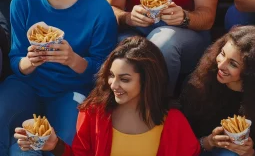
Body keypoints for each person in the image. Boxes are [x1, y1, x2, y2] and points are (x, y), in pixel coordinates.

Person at [0, 0, 117, 154]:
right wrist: (29, 62)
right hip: (26, 85)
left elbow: (104, 74)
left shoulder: (99, 11)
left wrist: (73, 60)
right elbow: (15, 58)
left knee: (66, 144)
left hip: (72, 91)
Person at [14, 36, 201, 155]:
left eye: (125, 79)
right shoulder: (93, 112)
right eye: (111, 76)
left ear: (148, 81)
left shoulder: (174, 122)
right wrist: (55, 146)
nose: (113, 85)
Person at [181, 25, 255, 156]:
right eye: (222, 54)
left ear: (252, 72)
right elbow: (183, 142)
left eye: (233, 64)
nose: (221, 65)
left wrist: (251, 153)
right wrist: (208, 142)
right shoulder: (200, 85)